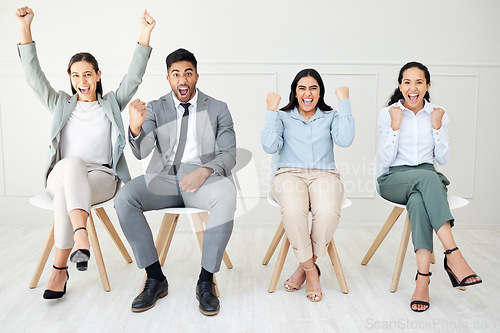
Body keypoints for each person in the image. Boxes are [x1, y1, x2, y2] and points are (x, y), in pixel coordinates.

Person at [15, 6, 155, 300]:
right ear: (69, 78)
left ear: (98, 75)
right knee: (72, 165)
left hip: (101, 179)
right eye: (76, 75)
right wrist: (25, 27)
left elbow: (134, 76)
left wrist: (144, 33)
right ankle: (82, 235)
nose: (83, 81)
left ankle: (59, 269)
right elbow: (33, 77)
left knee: (69, 190)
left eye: (88, 74)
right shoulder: (60, 104)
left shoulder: (112, 104)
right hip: (62, 174)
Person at [114, 48, 237, 315]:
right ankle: (155, 277)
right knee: (124, 198)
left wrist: (205, 171)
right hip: (164, 178)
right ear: (168, 78)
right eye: (176, 74)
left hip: (202, 179)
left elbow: (228, 154)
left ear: (196, 77)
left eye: (188, 73)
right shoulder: (156, 108)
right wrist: (135, 127)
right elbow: (141, 152)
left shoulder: (217, 108)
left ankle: (206, 282)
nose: (182, 79)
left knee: (227, 195)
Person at [376, 61, 482, 312]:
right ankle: (453, 254)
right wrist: (395, 126)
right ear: (400, 85)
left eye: (419, 82)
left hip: (425, 180)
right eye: (407, 82)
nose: (413, 88)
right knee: (427, 179)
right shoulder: (389, 113)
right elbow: (385, 160)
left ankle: (422, 281)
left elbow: (442, 159)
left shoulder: (438, 113)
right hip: (394, 179)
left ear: (427, 85)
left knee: (418, 199)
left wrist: (436, 127)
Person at [261, 69, 354, 302]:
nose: (307, 93)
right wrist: (271, 110)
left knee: (329, 212)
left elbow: (345, 139)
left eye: (313, 87)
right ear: (295, 91)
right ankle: (312, 271)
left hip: (325, 175)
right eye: (302, 88)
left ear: (320, 92)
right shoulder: (282, 117)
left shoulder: (330, 116)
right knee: (293, 210)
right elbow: (270, 146)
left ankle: (303, 266)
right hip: (289, 174)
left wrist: (344, 102)